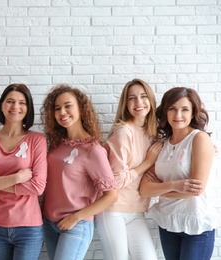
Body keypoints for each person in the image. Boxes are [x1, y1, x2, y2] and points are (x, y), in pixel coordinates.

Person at [140, 87, 221, 260]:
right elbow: (144, 190)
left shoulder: (199, 139)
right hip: (168, 222)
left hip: (196, 225)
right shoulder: (161, 144)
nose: (178, 115)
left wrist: (159, 188)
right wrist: (175, 185)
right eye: (172, 109)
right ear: (165, 112)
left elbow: (195, 190)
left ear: (193, 113)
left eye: (184, 109)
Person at [41, 84, 118, 260]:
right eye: (57, 108)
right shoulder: (56, 145)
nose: (62, 112)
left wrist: (76, 217)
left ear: (81, 110)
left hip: (76, 225)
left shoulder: (93, 150)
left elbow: (111, 195)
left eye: (68, 106)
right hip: (49, 222)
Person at [0, 83, 47, 260]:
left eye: (22, 102)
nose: (16, 107)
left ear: (28, 108)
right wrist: (17, 177)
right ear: (1, 105)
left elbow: (37, 187)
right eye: (10, 101)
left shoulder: (37, 140)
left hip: (29, 228)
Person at [95, 79, 163, 260]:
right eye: (132, 98)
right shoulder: (124, 132)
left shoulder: (155, 134)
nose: (139, 103)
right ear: (126, 104)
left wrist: (204, 142)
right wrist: (147, 163)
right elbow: (114, 181)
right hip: (113, 209)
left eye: (143, 96)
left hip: (136, 210)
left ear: (150, 99)